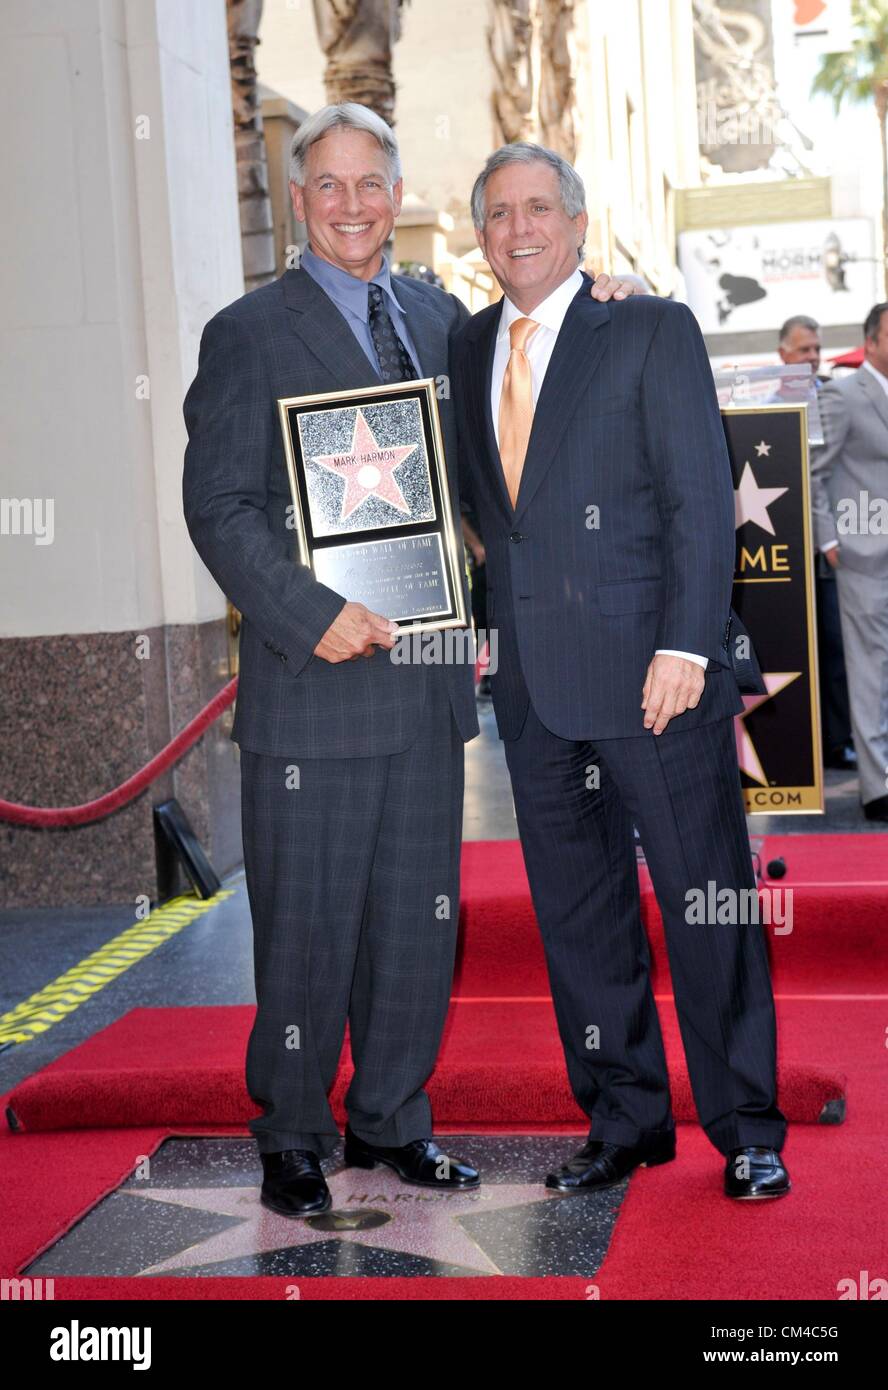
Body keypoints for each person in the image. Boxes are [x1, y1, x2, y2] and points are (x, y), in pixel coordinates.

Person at [183, 104, 637, 1218]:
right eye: (327, 186)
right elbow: (219, 504)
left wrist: (607, 316)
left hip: (430, 685)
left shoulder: (445, 319)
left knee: (417, 926)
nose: (350, 205)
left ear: (396, 192)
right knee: (305, 930)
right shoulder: (248, 333)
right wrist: (306, 607)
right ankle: (291, 1131)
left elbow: (510, 437)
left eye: (369, 184)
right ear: (300, 201)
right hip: (315, 690)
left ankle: (393, 1117)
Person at [453, 142, 790, 1201]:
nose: (521, 227)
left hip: (658, 683)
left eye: (540, 207)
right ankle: (624, 1119)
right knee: (579, 922)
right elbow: (483, 514)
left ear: (579, 223)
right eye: (500, 211)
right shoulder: (464, 349)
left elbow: (699, 496)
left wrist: (688, 646)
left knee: (708, 905)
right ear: (480, 235)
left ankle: (746, 1128)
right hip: (538, 699)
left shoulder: (649, 327)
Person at [810, 303, 888, 822]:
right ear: (872, 340)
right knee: (869, 671)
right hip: (865, 554)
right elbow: (815, 469)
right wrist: (829, 539)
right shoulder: (842, 394)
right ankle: (877, 785)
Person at [775, 316, 855, 771]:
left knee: (835, 647)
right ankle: (795, 745)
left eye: (816, 350)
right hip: (779, 547)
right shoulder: (762, 399)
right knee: (791, 653)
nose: (812, 358)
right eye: (803, 350)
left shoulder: (832, 396)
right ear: (782, 353)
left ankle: (838, 740)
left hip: (826, 547)